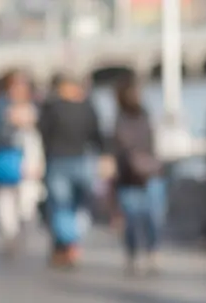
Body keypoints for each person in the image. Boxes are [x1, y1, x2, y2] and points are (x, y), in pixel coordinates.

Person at [38, 73, 106, 269]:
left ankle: (69, 242)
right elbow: (98, 135)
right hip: (80, 161)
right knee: (77, 206)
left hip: (59, 161)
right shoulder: (87, 107)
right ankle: (71, 242)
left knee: (61, 207)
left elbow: (43, 134)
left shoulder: (52, 108)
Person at [111, 79, 163, 274]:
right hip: (129, 176)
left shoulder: (146, 114)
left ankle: (152, 250)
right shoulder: (120, 119)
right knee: (132, 219)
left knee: (152, 217)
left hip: (149, 173)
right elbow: (120, 146)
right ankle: (133, 253)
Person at [0, 71, 42, 256]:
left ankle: (23, 225)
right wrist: (12, 124)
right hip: (8, 155)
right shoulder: (0, 105)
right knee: (5, 197)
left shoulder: (35, 104)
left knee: (28, 197)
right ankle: (10, 232)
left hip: (30, 156)